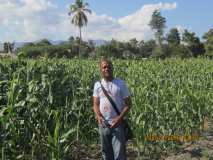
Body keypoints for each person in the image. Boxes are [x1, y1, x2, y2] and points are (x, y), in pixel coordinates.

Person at [93, 58, 131, 160]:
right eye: (104, 67)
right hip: (103, 124)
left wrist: (119, 118)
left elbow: (128, 104)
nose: (106, 69)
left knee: (119, 155)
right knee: (106, 154)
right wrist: (98, 116)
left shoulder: (120, 84)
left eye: (109, 67)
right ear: (100, 70)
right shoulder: (97, 85)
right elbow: (95, 104)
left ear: (112, 68)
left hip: (117, 125)